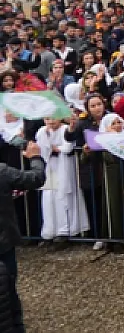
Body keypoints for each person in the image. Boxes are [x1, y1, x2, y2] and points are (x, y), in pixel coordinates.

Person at [0, 140, 46, 332]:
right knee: (7, 292)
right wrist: (35, 157)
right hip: (3, 243)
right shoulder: (1, 171)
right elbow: (35, 178)